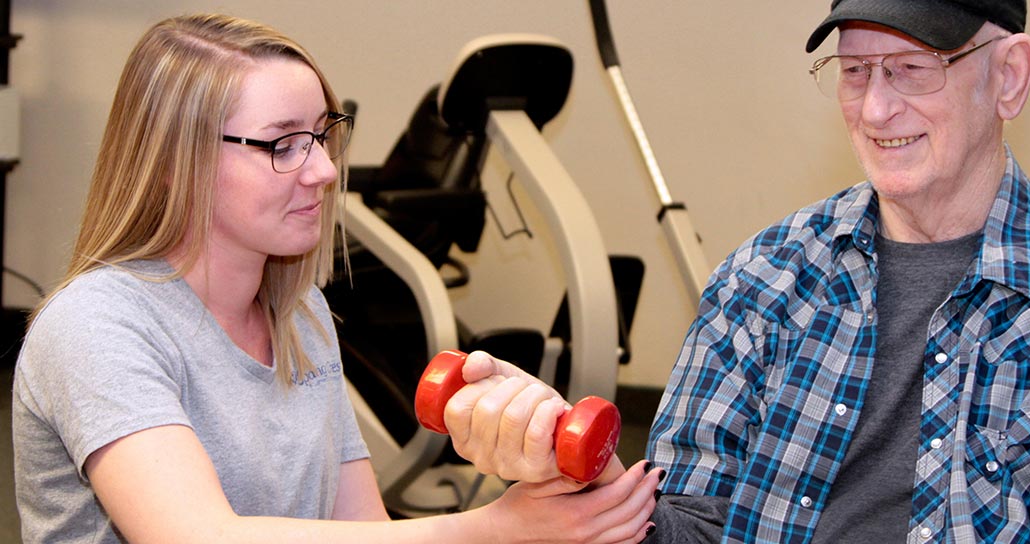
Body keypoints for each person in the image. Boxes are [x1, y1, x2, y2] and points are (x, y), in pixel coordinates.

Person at [445, 0, 1030, 542]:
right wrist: (581, 468)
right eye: (854, 72)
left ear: (1009, 76)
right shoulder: (762, 278)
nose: (874, 110)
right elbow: (688, 523)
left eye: (910, 69)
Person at [10, 13, 660, 544]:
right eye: (283, 143)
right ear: (178, 163)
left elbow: (358, 529)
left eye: (323, 135)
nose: (323, 169)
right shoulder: (95, 323)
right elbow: (196, 535)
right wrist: (493, 529)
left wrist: (544, 495)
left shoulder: (302, 314)